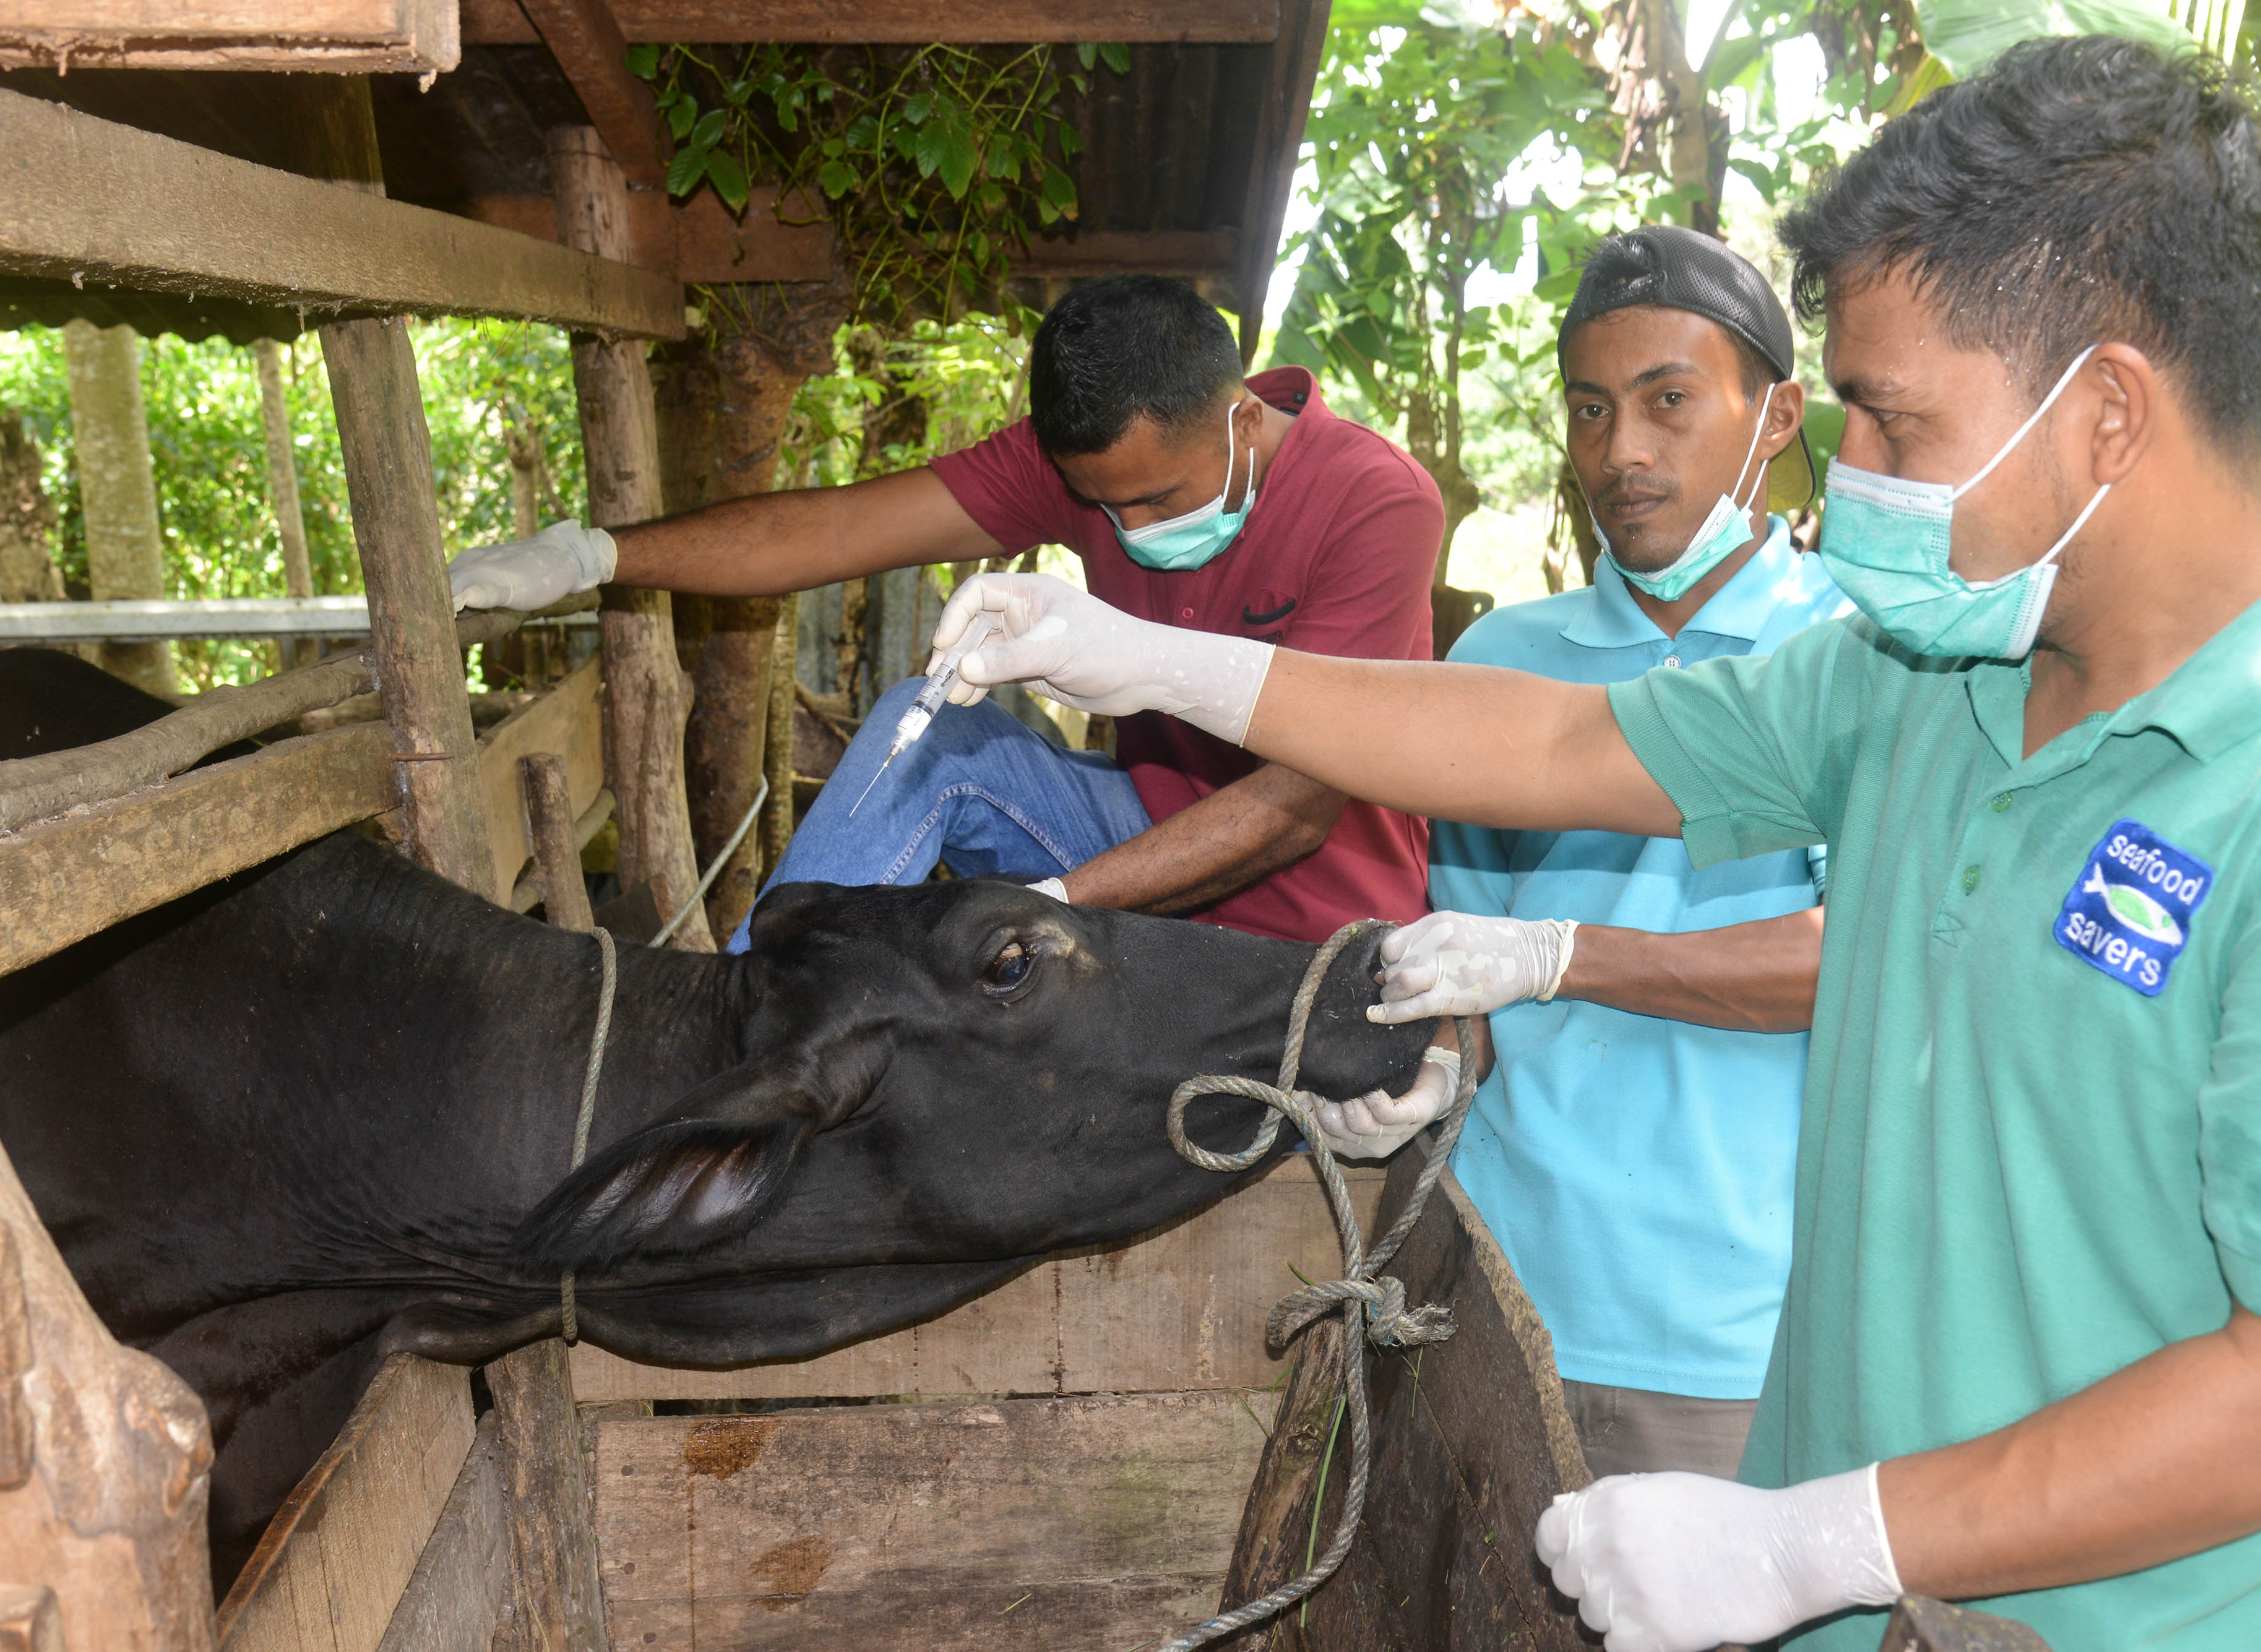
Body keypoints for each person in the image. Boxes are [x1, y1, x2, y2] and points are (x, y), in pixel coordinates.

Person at [923, 36, 2261, 1652]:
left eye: (1894, 425)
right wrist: (1154, 659)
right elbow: (1555, 742)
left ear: (2106, 412)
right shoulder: (1920, 681)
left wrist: (1823, 1537)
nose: (1853, 486)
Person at [451, 275, 1446, 953]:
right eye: (1104, 506)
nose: (1133, 528)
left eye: (1157, 498)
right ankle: (752, 1007)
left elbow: (1295, 807)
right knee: (926, 733)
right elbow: (839, 529)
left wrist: (1045, 907)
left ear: (1243, 421)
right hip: (1150, 831)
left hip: (1323, 924)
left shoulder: (1375, 501)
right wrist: (595, 556)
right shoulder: (1091, 461)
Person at [1397, 225, 1853, 1481]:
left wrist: (1566, 955)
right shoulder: (1501, 660)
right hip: (1493, 1300)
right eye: (1590, 409)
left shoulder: (1859, 655)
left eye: (1668, 401)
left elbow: (1859, 960)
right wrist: (1428, 1067)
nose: (1621, 453)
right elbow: (1470, 965)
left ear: (1775, 417)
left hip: (1741, 1337)